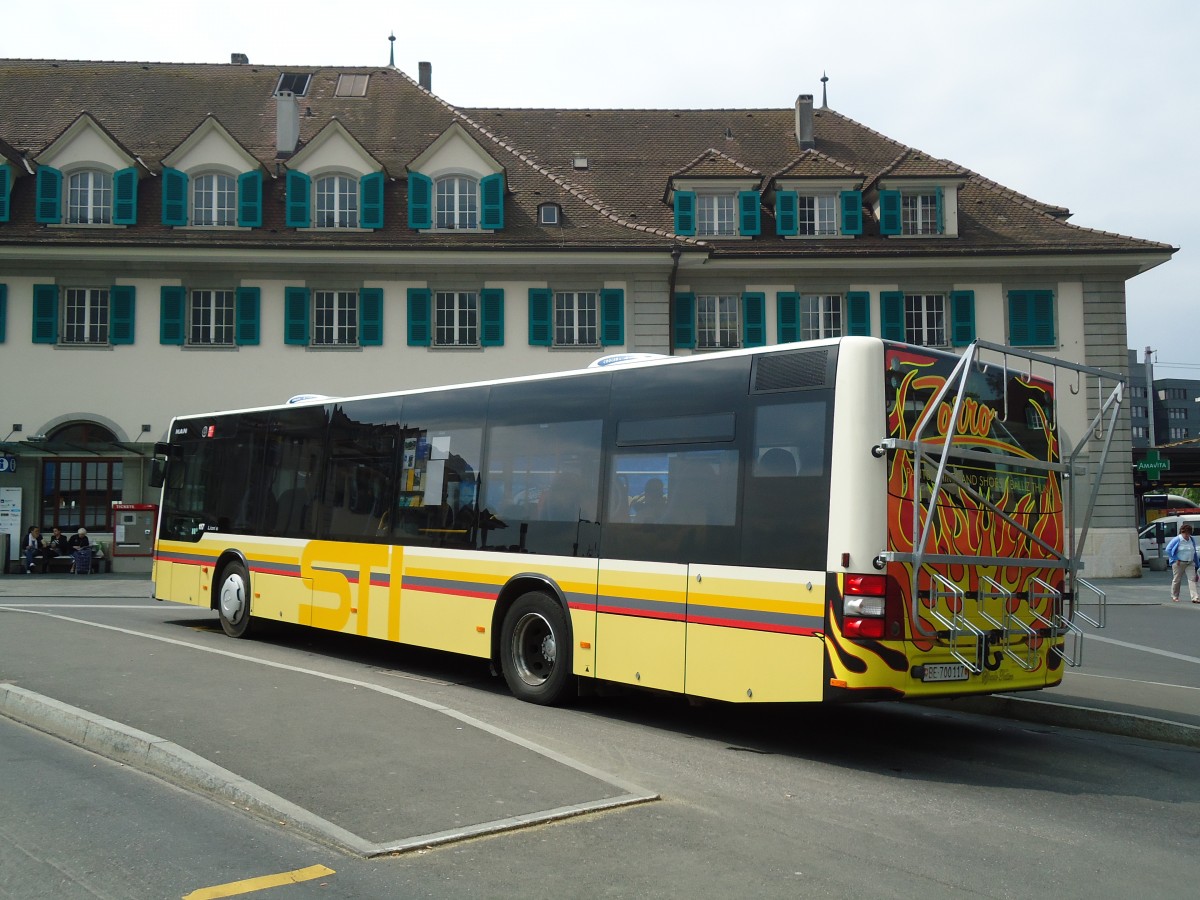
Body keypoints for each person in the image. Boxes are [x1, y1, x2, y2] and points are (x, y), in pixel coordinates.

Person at [1165, 522, 1200, 603]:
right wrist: (1175, 559)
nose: (1187, 536)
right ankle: (1174, 596)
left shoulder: (1191, 539)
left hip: (1190, 562)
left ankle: (1195, 597)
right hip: (1179, 563)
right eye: (1185, 534)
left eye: (1188, 534)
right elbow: (1168, 549)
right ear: (1182, 532)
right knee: (1177, 579)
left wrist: (1197, 564)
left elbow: (1193, 551)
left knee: (1192, 580)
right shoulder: (1177, 539)